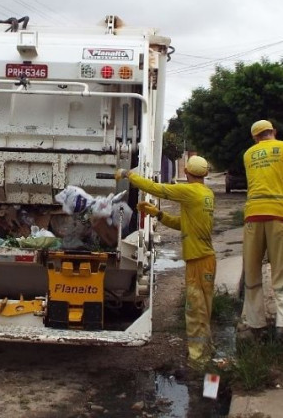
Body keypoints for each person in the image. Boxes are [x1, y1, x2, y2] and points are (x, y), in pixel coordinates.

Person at [116, 156, 216, 369]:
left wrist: (128, 175)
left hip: (199, 259)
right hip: (205, 258)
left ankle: (199, 360)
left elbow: (157, 189)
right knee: (203, 308)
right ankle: (205, 352)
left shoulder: (190, 191)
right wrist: (159, 214)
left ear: (187, 173)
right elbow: (184, 224)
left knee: (195, 308)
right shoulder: (206, 194)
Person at [239, 120, 283, 342]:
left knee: (253, 269)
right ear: (273, 132)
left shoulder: (248, 154)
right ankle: (281, 325)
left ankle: (256, 324)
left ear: (255, 138)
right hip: (279, 215)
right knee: (280, 272)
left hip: (253, 215)